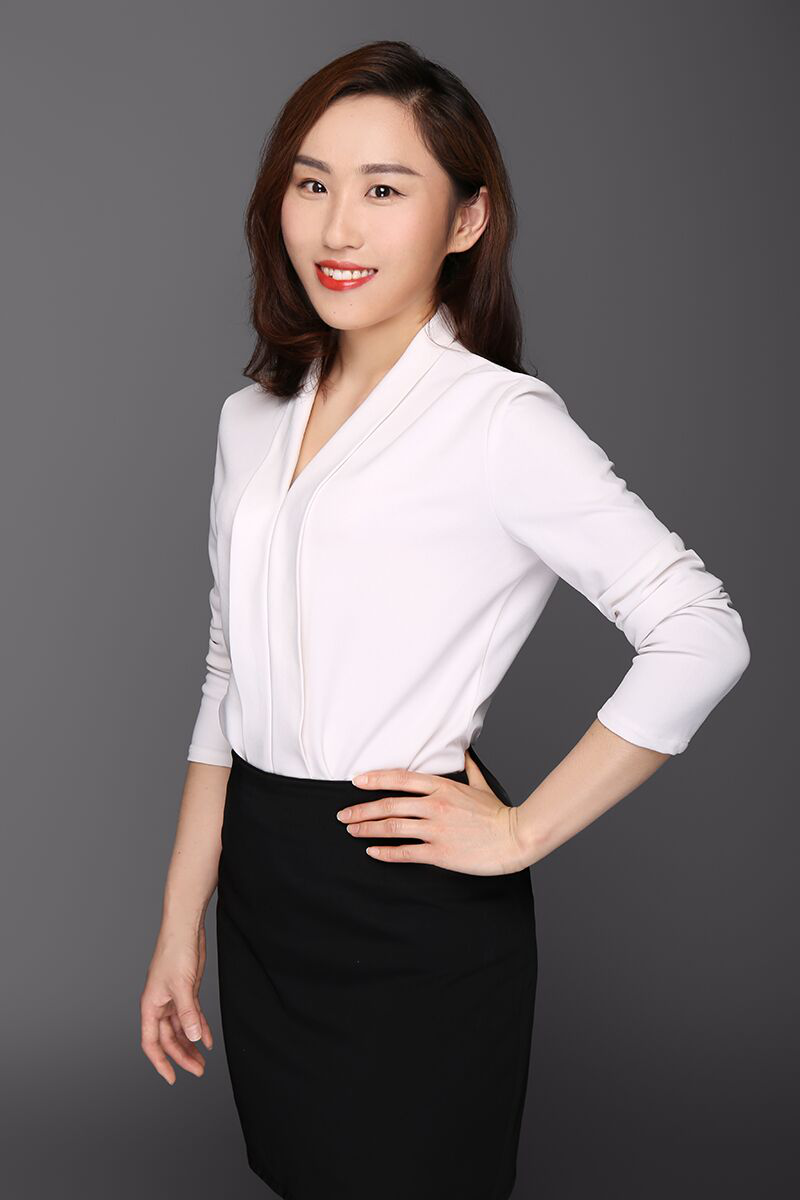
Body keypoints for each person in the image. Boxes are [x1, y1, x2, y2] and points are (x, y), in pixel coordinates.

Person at [140, 40, 750, 1200]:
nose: (337, 227)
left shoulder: (497, 422)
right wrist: (179, 924)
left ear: (465, 220)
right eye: (311, 183)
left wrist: (521, 833)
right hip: (264, 883)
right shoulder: (249, 421)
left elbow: (699, 631)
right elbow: (228, 674)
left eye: (385, 189)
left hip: (407, 894)